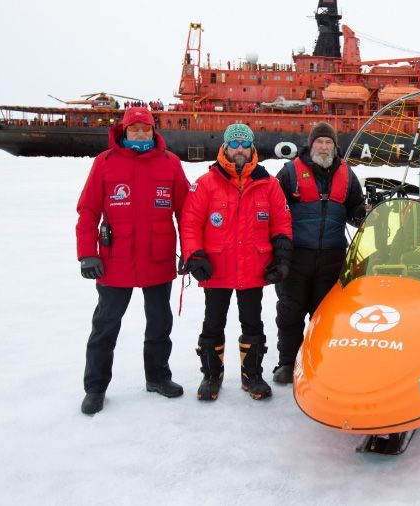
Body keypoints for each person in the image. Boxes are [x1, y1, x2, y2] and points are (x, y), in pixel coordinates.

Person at [76, 106, 189, 415]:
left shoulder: (170, 164)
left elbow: (186, 213)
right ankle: (96, 388)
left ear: (154, 131)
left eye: (145, 129)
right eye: (134, 129)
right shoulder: (105, 163)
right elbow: (87, 211)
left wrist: (191, 251)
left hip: (158, 259)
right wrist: (87, 253)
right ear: (124, 132)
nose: (140, 134)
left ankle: (157, 377)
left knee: (159, 324)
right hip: (115, 262)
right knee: (105, 326)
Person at [179, 124, 292, 401]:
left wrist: (282, 259)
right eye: (234, 144)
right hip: (216, 269)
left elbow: (282, 225)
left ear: (252, 147)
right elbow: (190, 223)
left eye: (244, 144)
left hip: (254, 269)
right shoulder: (206, 184)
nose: (239, 149)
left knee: (253, 323)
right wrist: (195, 256)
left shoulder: (269, 184)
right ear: (225, 147)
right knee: (212, 323)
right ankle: (211, 375)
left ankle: (251, 375)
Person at [271, 122, 367, 384]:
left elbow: (355, 208)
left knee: (325, 314)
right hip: (296, 257)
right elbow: (275, 212)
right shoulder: (290, 173)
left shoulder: (348, 176)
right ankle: (288, 362)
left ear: (335, 148)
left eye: (329, 143)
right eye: (319, 142)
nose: (324, 147)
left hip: (332, 257)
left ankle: (320, 360)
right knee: (290, 312)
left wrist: (364, 215)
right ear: (310, 145)